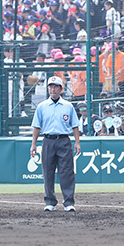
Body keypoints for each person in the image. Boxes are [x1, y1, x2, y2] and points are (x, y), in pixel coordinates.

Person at [30, 76, 81, 212]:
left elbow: (75, 125)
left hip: (64, 140)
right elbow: (36, 126)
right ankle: (50, 202)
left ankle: (69, 202)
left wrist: (77, 142)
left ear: (60, 89)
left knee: (67, 172)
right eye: (50, 86)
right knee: (48, 172)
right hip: (47, 140)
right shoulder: (42, 107)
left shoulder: (68, 106)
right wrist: (33, 144)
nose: (52, 89)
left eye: (55, 86)